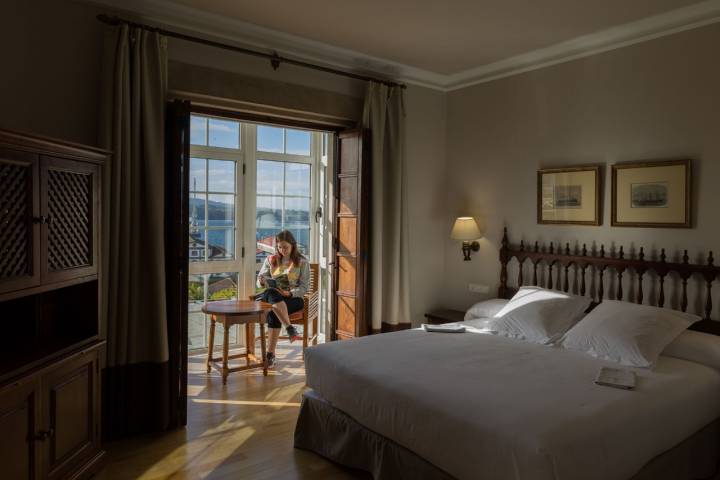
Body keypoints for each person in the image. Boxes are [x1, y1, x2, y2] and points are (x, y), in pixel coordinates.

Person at [256, 230, 309, 367]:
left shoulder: (302, 262)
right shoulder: (270, 260)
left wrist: (290, 293)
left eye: (285, 247)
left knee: (274, 310)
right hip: (273, 296)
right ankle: (290, 328)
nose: (282, 250)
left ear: (293, 245)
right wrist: (261, 281)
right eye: (279, 247)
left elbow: (304, 288)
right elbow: (259, 282)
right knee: (271, 292)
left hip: (293, 298)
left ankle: (270, 354)